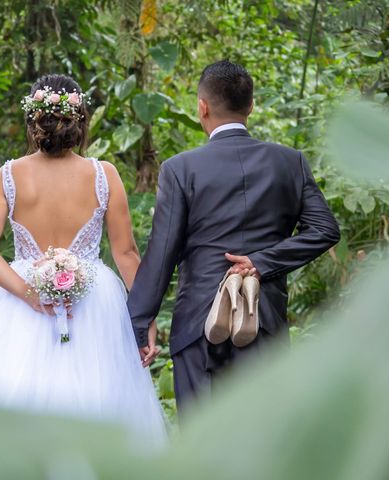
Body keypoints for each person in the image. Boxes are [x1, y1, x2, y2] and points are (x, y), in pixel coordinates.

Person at [0, 74, 166, 444]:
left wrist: (28, 292)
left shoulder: (10, 176)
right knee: (97, 404)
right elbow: (125, 254)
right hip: (94, 305)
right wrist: (145, 318)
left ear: (33, 120)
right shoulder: (104, 176)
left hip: (19, 306)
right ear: (81, 120)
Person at [127, 60, 340, 416]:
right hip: (264, 320)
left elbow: (162, 253)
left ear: (202, 107)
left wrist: (138, 324)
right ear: (251, 106)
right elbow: (324, 229)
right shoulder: (290, 162)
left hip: (199, 327)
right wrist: (262, 263)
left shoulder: (180, 169)